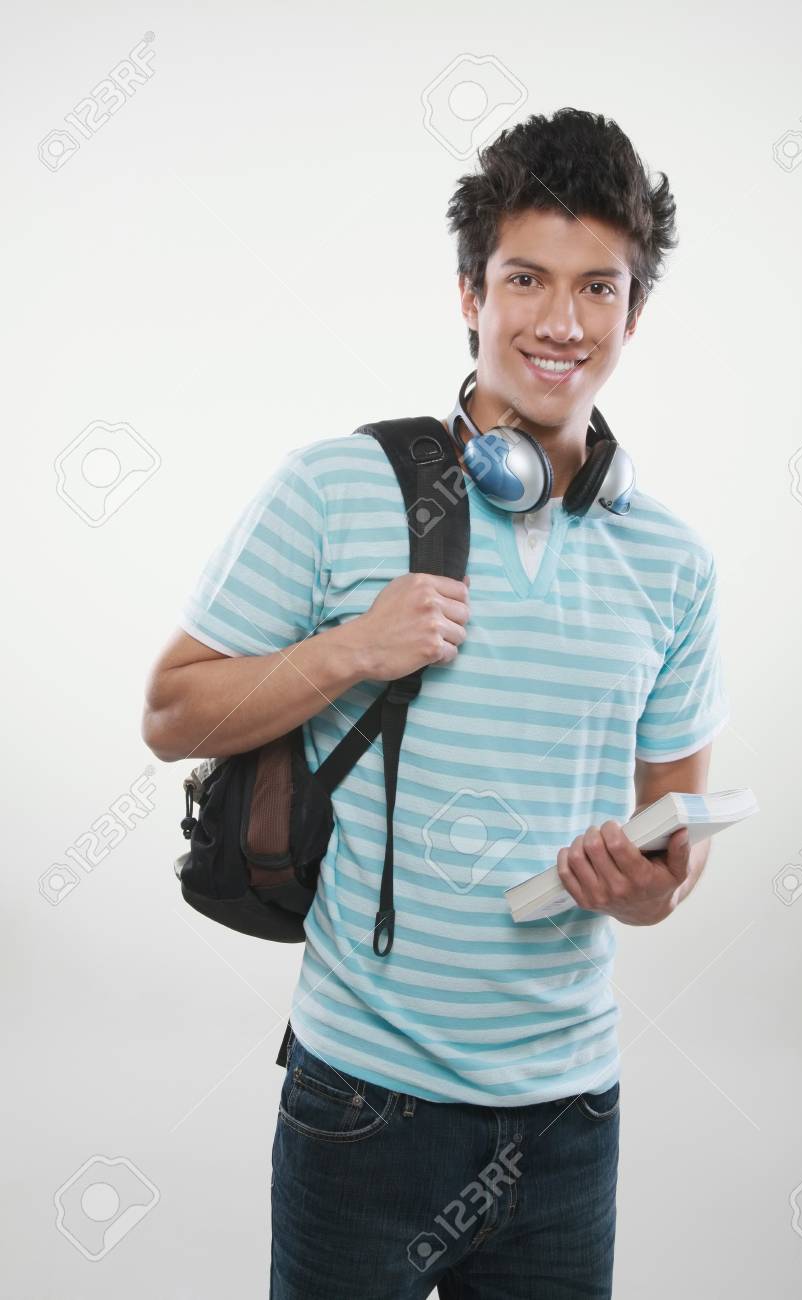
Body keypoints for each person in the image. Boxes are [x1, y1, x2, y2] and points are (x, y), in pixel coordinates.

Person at [142, 108, 730, 1299]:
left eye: (597, 288)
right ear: (469, 292)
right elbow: (170, 713)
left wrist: (652, 886)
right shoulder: (333, 485)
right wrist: (351, 648)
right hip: (359, 1103)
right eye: (524, 278)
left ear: (632, 312)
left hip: (571, 1114)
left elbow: (679, 831)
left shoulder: (673, 560)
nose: (560, 322)